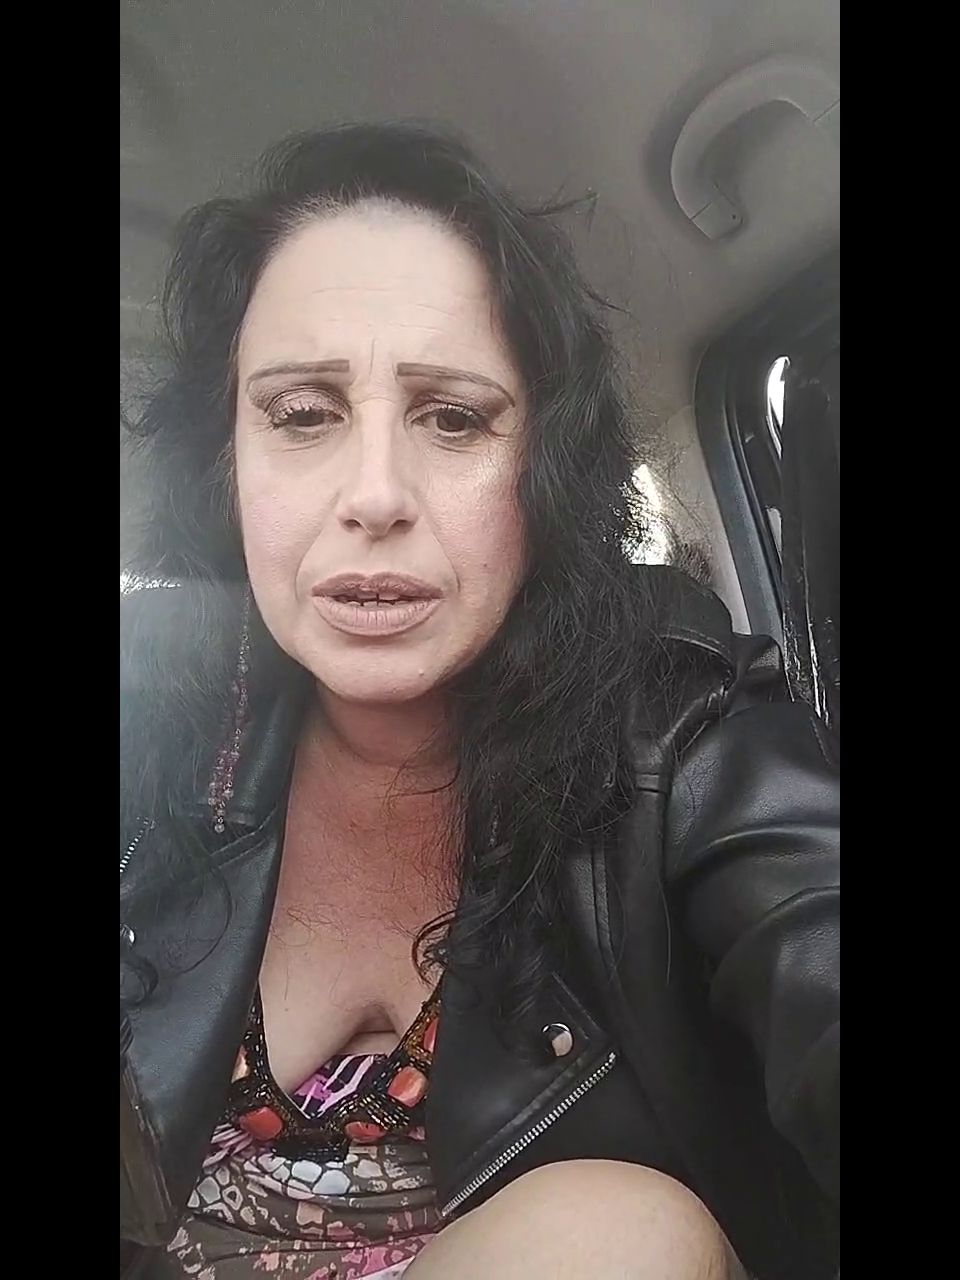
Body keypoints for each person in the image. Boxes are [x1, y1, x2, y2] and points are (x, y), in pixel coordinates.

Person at [120, 123, 840, 1280]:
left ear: (543, 465)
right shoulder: (146, 714)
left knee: (618, 1233)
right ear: (228, 459)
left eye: (453, 416)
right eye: (302, 414)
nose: (374, 496)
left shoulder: (676, 721)